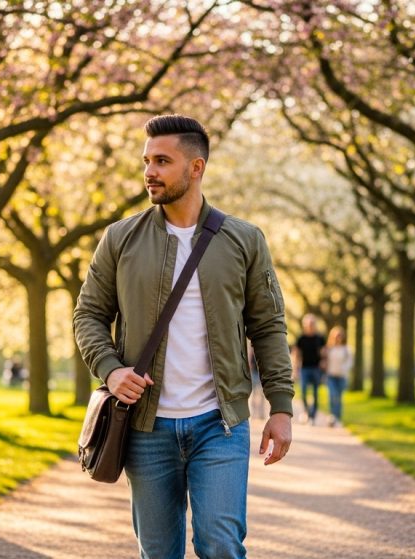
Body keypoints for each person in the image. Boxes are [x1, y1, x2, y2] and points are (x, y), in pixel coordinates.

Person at [73, 114, 294, 559]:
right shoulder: (120, 238)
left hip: (221, 424)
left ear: (196, 168)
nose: (149, 171)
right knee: (159, 552)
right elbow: (89, 315)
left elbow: (268, 326)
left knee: (221, 545)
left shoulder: (244, 240)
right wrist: (111, 371)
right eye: (146, 161)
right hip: (145, 428)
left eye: (162, 161)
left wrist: (281, 406)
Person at [293, 314, 326, 425]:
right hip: (304, 368)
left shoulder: (320, 338)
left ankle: (313, 415)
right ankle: (307, 412)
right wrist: (296, 368)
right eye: (309, 323)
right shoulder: (301, 338)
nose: (311, 325)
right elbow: (296, 354)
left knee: (316, 393)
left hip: (316, 369)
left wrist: (324, 361)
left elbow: (324, 352)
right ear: (305, 325)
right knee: (303, 392)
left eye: (313, 323)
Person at [323, 326, 352, 427]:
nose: (338, 338)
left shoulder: (346, 349)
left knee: (339, 398)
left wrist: (344, 369)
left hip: (341, 377)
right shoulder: (329, 349)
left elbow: (350, 362)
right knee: (332, 396)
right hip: (331, 376)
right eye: (336, 336)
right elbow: (325, 362)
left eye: (340, 336)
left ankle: (338, 418)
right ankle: (333, 416)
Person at [248, 341, 267, 420]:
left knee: (262, 394)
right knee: (253, 393)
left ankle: (262, 413)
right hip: (254, 372)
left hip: (261, 372)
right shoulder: (251, 346)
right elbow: (249, 357)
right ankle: (252, 413)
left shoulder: (263, 345)